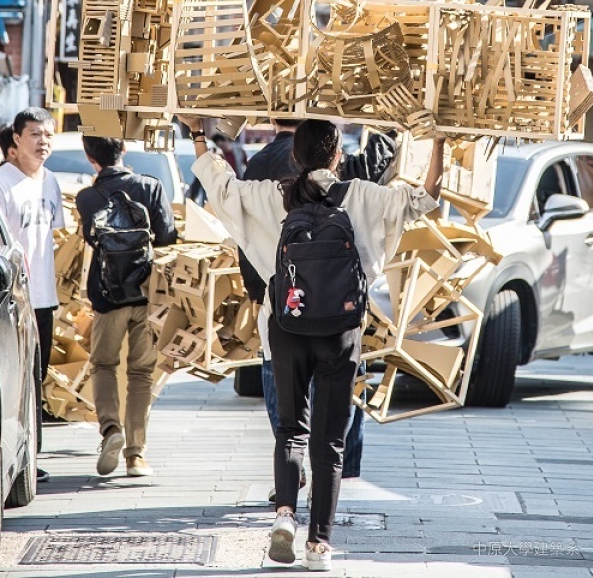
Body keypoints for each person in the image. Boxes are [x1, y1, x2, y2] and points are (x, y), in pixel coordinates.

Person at [183, 114, 443, 571]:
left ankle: (285, 514)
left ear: (295, 156)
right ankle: (319, 545)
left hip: (285, 325)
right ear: (337, 155)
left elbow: (217, 181)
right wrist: (437, 140)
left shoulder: (269, 196)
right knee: (330, 442)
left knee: (290, 429)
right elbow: (425, 198)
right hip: (340, 330)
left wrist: (196, 133)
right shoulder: (362, 195)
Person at [241, 120, 398, 486]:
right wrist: (389, 131)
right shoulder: (339, 171)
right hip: (336, 303)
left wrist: (258, 289)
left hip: (284, 301)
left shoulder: (258, 166)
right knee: (338, 390)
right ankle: (341, 472)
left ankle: (290, 471)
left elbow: (243, 228)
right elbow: (374, 176)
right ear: (335, 153)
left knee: (283, 391)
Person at [76, 135, 176, 478]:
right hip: (148, 296)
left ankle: (110, 430)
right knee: (141, 374)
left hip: (107, 297)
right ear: (125, 151)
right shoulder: (151, 187)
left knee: (103, 364)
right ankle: (136, 456)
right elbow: (166, 236)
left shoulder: (87, 197)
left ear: (91, 158)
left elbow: (91, 238)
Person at [0, 107, 66, 484]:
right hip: (14, 300)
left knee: (37, 378)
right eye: (35, 134)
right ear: (15, 140)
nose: (43, 142)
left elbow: (57, 238)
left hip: (45, 297)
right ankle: (19, 458)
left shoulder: (50, 181)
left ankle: (32, 456)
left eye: (48, 135)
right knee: (17, 380)